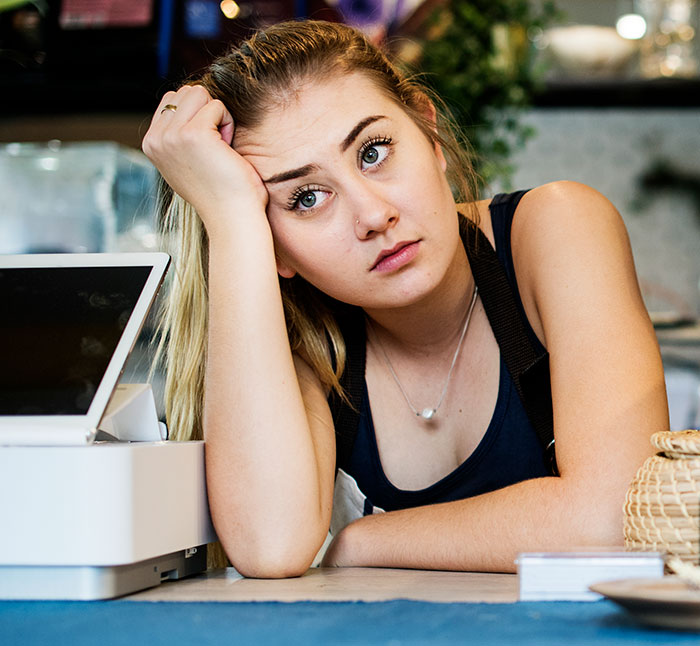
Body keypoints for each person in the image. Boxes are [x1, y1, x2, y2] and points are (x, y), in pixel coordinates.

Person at [142, 20, 669, 578]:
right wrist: (231, 220)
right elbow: (270, 546)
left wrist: (355, 541)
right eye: (306, 197)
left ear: (429, 133)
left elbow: (618, 520)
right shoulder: (302, 343)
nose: (373, 216)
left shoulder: (558, 227)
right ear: (275, 249)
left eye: (373, 152)